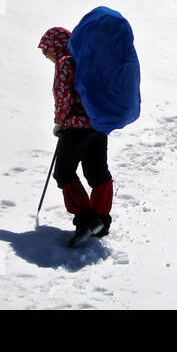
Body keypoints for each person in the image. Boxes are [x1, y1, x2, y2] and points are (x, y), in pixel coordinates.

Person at [38, 27, 113, 242]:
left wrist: (59, 123)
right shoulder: (89, 61)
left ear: (55, 46)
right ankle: (101, 220)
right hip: (98, 125)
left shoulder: (65, 63)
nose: (48, 57)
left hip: (75, 127)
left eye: (46, 52)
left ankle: (88, 220)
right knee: (98, 173)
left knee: (63, 172)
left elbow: (63, 97)